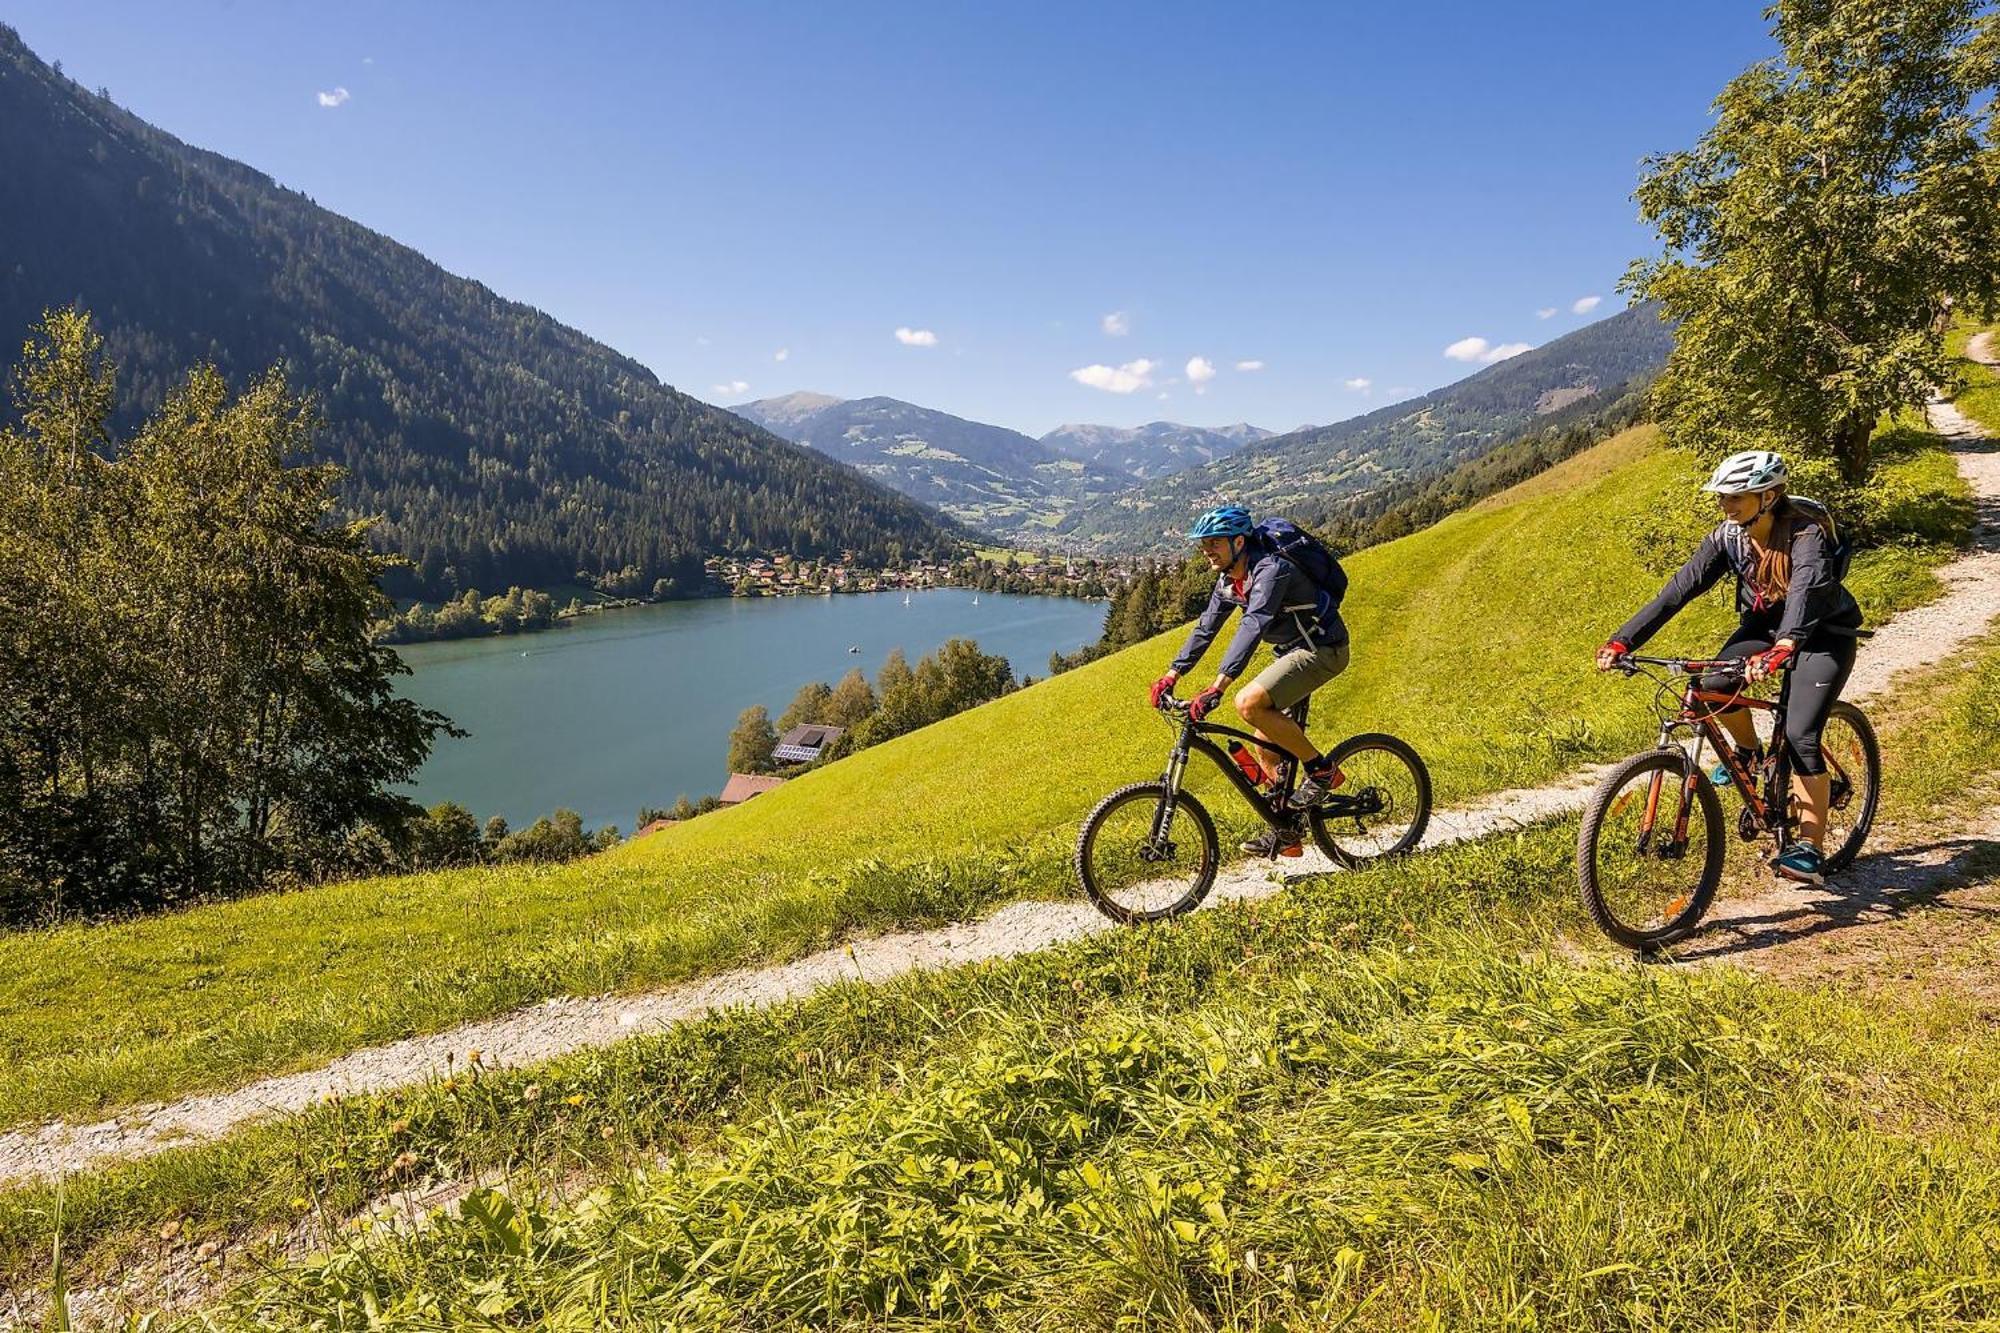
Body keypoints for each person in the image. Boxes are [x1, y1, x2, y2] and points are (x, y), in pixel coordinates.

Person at [1595, 449, 1861, 886]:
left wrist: (1787, 644)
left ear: (1770, 495)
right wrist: (1624, 638)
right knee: (1714, 685)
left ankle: (1810, 847)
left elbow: (1806, 591)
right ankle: (1750, 753)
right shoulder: (1729, 537)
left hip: (1822, 634)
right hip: (1765, 628)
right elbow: (1677, 591)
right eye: (1723, 496)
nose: (1727, 504)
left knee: (1799, 736)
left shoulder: (1805, 534)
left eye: (1738, 495)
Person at [1149, 505, 1350, 857]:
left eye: (1214, 543)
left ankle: (1321, 771)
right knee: (1264, 741)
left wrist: (1218, 687)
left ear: (1239, 541)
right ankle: (1287, 831)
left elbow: (1253, 624)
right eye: (1203, 544)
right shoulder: (1229, 579)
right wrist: (1171, 675)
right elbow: (1206, 628)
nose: (1206, 550)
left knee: (1248, 703)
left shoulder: (1271, 571)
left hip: (1323, 648)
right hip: (1291, 651)